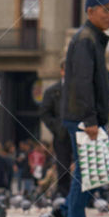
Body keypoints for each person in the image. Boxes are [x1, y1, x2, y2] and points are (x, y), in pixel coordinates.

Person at [54, 0, 109, 217]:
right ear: (90, 11)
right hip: (82, 118)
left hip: (84, 117)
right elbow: (81, 82)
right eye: (106, 9)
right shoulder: (85, 39)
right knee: (87, 172)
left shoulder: (93, 38)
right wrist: (91, 119)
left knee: (89, 170)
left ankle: (66, 214)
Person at [39, 61, 72, 197]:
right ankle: (64, 194)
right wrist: (57, 127)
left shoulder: (82, 89)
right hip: (62, 135)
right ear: (62, 71)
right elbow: (44, 113)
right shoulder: (52, 91)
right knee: (63, 165)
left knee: (82, 166)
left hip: (79, 133)